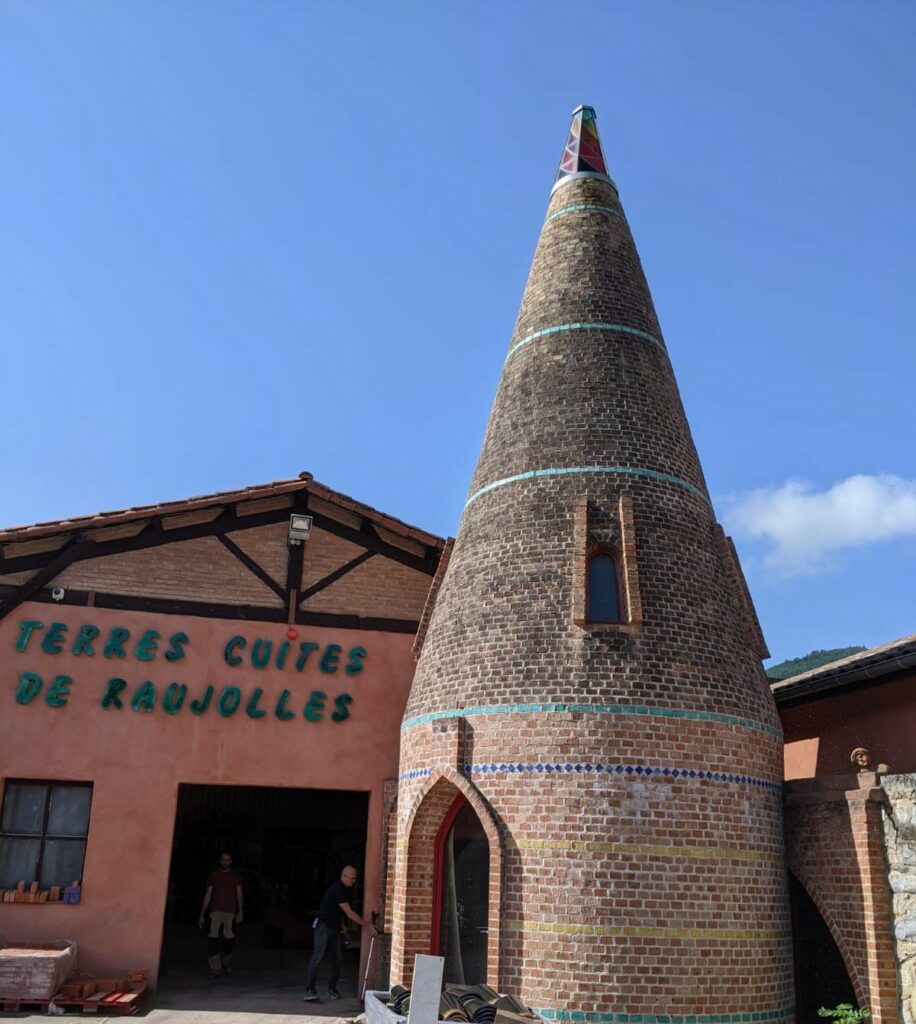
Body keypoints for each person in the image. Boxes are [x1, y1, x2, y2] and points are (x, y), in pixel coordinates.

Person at [303, 865, 376, 1001]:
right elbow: (349, 913)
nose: (354, 882)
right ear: (344, 876)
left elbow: (339, 912)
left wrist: (342, 927)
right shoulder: (337, 889)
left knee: (337, 959)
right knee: (317, 958)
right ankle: (310, 990)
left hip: (334, 928)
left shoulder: (344, 890)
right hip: (323, 927)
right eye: (352, 879)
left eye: (355, 879)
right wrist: (367, 925)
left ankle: (332, 989)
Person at [198, 851, 244, 978]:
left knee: (229, 939)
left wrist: (240, 910)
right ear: (220, 861)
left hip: (230, 912)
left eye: (227, 860)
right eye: (223, 859)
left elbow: (239, 894)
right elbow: (208, 895)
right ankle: (215, 968)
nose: (225, 862)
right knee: (212, 938)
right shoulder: (213, 876)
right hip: (215, 911)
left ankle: (226, 961)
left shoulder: (235, 876)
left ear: (231, 861)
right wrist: (202, 914)